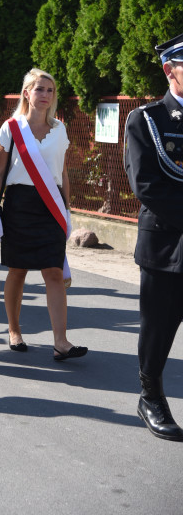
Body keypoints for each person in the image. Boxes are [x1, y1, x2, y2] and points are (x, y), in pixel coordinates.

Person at [0, 68, 87, 361]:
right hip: (19, 205)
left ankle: (61, 341)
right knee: (17, 270)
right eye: (39, 89)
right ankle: (14, 330)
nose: (45, 95)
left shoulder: (60, 129)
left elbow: (63, 173)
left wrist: (67, 210)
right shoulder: (11, 128)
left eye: (50, 90)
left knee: (54, 272)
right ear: (27, 93)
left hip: (51, 206)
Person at [124, 32, 183, 442]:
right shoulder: (147, 119)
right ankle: (151, 395)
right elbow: (146, 184)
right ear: (170, 70)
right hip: (168, 242)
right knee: (159, 326)